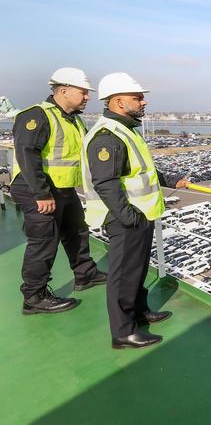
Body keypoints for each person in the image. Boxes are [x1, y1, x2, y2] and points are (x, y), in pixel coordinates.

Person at [81, 72, 189, 349]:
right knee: (123, 274)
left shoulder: (125, 130)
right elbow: (105, 181)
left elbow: (141, 171)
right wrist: (129, 217)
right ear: (118, 102)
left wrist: (170, 180)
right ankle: (123, 332)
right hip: (126, 217)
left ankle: (139, 312)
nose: (143, 103)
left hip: (139, 215)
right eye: (137, 98)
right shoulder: (108, 136)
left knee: (137, 270)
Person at [11, 68, 107, 315]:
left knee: (77, 230)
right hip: (38, 189)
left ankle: (85, 274)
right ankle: (34, 296)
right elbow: (27, 155)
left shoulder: (74, 119)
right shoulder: (37, 115)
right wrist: (42, 194)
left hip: (63, 188)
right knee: (44, 242)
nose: (87, 97)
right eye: (83, 92)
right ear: (64, 91)